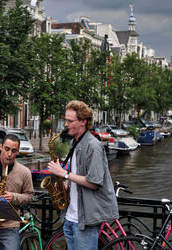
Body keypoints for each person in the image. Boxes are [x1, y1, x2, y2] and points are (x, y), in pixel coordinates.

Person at [47, 100, 118, 250]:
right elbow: (78, 176)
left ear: (83, 122)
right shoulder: (75, 143)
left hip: (86, 221)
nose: (66, 124)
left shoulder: (93, 146)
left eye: (70, 121)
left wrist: (64, 174)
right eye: (66, 120)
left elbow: (94, 182)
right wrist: (65, 184)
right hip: (70, 218)